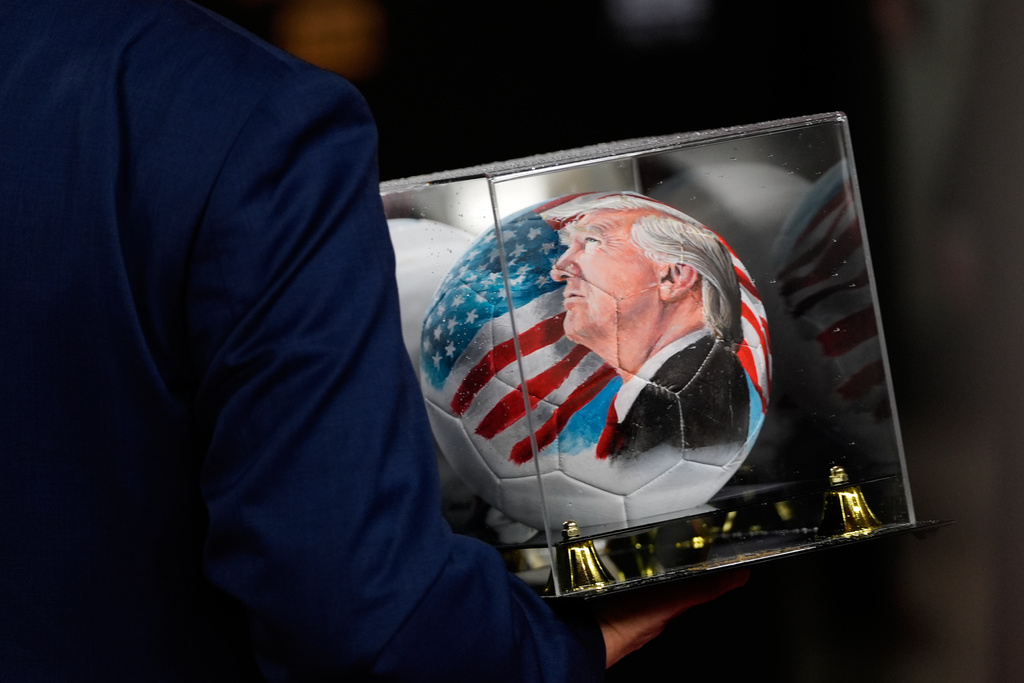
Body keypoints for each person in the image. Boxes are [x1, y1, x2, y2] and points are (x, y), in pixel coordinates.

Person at [0, 0, 747, 679]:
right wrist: (555, 646)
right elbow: (356, 615)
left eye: (586, 240)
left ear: (677, 280)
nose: (560, 260)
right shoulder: (243, 122)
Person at [545, 193, 750, 459]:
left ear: (673, 277)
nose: (559, 269)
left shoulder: (681, 403)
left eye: (592, 241)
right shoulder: (680, 387)